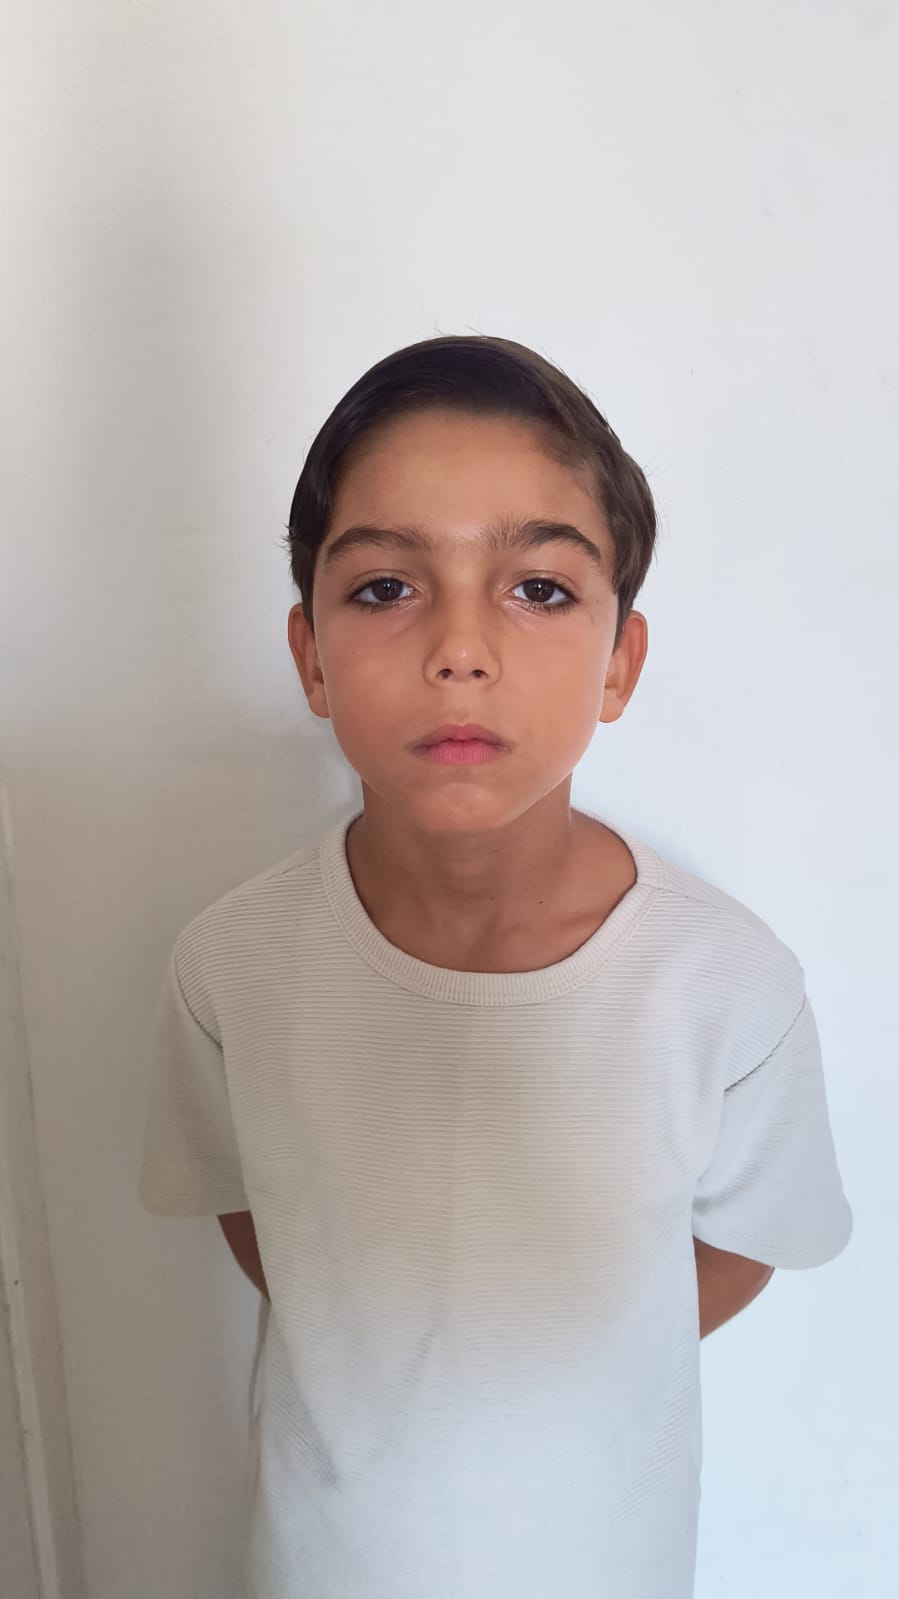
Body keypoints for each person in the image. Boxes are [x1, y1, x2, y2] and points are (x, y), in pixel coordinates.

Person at [138, 334, 853, 1599]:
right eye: (384, 588)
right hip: (315, 1565)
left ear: (619, 662)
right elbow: (259, 1218)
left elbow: (742, 1247)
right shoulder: (230, 968)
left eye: (537, 588)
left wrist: (553, 1370)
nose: (459, 650)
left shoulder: (725, 985)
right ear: (309, 658)